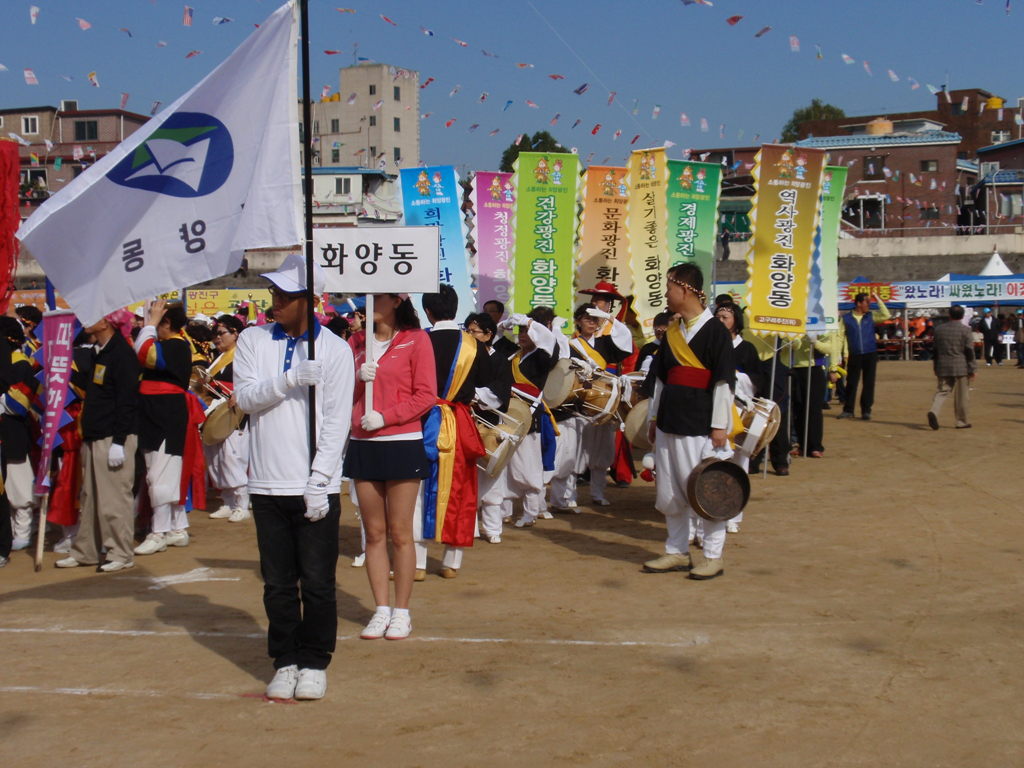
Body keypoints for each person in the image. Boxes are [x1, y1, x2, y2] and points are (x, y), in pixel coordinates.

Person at [235, 254, 354, 701]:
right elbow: (244, 399)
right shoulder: (253, 339)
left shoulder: (336, 350)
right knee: (278, 584)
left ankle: (315, 661)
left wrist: (320, 480)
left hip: (312, 486)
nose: (276, 301)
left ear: (311, 299)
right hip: (266, 483)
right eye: (275, 292)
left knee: (319, 584)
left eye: (286, 294)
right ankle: (285, 660)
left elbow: (336, 421)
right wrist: (288, 380)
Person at [345, 293, 435, 641]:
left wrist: (386, 416)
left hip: (401, 442)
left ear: (397, 301)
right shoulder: (355, 341)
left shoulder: (417, 339)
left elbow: (426, 394)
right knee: (374, 534)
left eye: (376, 297)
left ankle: (402, 612)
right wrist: (355, 376)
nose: (368, 305)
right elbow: (335, 390)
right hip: (362, 443)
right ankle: (380, 609)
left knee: (400, 533)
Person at [643, 263, 735, 580]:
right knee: (669, 491)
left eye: (669, 288)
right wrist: (654, 417)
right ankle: (676, 551)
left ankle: (712, 555)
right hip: (670, 420)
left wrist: (720, 425)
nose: (666, 295)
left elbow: (724, 381)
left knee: (704, 489)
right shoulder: (671, 332)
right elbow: (660, 380)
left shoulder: (715, 332)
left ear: (684, 289)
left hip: (700, 423)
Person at [56, 313, 140, 572]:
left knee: (114, 498)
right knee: (90, 497)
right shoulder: (100, 352)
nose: (85, 320)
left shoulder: (122, 354)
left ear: (106, 322)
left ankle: (120, 552)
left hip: (113, 435)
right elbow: (94, 387)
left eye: (92, 316)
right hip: (94, 434)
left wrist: (118, 441)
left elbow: (127, 400)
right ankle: (86, 551)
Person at [421, 285, 492, 579]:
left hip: (421, 420)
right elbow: (489, 385)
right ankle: (451, 562)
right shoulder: (473, 345)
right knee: (460, 488)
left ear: (428, 311)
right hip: (459, 420)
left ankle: (415, 563)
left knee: (416, 490)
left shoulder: (418, 341)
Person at [132, 301, 198, 556]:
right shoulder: (172, 344)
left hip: (165, 413)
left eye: (155, 321)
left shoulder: (177, 345)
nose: (145, 325)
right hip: (155, 412)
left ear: (166, 323)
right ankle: (177, 528)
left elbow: (143, 353)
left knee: (159, 474)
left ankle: (158, 532)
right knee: (158, 471)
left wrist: (150, 323)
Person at [506, 309, 558, 528]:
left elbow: (550, 341)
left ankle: (531, 511)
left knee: (529, 464)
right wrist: (502, 327)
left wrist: (529, 322)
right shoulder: (513, 357)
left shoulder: (542, 357)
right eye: (520, 331)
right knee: (506, 464)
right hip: (510, 413)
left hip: (531, 413)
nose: (523, 334)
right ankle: (504, 510)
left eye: (528, 331)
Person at [465, 312, 513, 542]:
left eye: (474, 331)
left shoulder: (500, 360)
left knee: (492, 473)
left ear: (488, 335)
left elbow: (500, 392)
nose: (470, 335)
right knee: (467, 476)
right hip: (465, 421)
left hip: (490, 422)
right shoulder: (464, 355)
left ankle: (493, 529)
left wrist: (474, 395)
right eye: (468, 330)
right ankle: (470, 526)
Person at [205, 316, 251, 523]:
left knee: (233, 456)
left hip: (236, 415)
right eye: (215, 334)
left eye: (221, 333)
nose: (217, 338)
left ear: (235, 334)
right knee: (216, 458)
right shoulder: (218, 358)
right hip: (216, 412)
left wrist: (239, 391)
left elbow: (252, 380)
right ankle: (228, 501)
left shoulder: (243, 356)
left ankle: (242, 504)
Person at [836, 291, 889, 421]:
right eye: (867, 302)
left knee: (869, 383)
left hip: (870, 353)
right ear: (859, 303)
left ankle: (866, 410)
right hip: (855, 354)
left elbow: (886, 315)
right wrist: (838, 354)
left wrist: (878, 299)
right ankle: (848, 410)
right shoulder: (846, 319)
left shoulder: (871, 316)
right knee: (852, 383)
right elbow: (839, 338)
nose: (869, 305)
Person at [928, 306, 976, 430]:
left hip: (943, 364)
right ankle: (961, 421)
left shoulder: (938, 330)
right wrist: (973, 369)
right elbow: (969, 351)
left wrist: (936, 366)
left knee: (942, 391)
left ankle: (934, 411)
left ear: (949, 315)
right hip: (961, 366)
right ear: (962, 316)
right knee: (962, 396)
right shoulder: (966, 330)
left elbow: (935, 350)